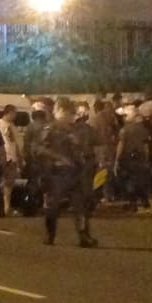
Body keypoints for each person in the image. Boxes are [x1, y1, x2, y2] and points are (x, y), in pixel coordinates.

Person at [40, 98, 97, 248]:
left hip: (74, 171)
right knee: (54, 206)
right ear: (62, 111)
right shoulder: (51, 128)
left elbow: (84, 150)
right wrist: (59, 158)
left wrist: (80, 154)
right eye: (69, 112)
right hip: (58, 172)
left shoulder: (75, 129)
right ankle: (50, 235)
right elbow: (40, 149)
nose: (71, 116)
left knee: (79, 206)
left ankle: (84, 236)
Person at [116, 105, 152, 212]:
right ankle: (144, 200)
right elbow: (146, 146)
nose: (123, 118)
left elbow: (121, 145)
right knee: (141, 180)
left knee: (130, 181)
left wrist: (117, 159)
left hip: (128, 158)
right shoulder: (143, 129)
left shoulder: (124, 130)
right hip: (141, 157)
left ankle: (133, 203)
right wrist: (147, 159)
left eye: (124, 116)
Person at [0, 104, 22, 217]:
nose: (15, 116)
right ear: (9, 113)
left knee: (9, 185)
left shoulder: (13, 127)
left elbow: (16, 144)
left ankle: (7, 207)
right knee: (0, 184)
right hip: (2, 158)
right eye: (14, 113)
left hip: (12, 158)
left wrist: (19, 158)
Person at [74, 103, 101, 215]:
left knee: (79, 184)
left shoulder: (73, 130)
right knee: (88, 184)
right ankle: (90, 206)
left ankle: (83, 206)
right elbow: (97, 143)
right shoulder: (90, 129)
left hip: (78, 160)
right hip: (89, 159)